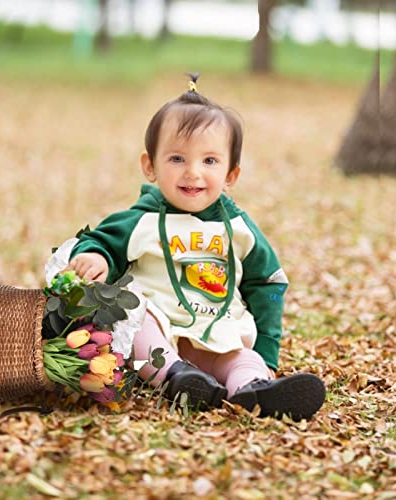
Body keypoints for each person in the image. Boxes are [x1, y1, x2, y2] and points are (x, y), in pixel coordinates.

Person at [61, 74, 325, 420]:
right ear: (150, 166)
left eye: (210, 161)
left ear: (231, 175)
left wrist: (266, 351)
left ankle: (254, 388)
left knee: (239, 357)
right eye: (176, 159)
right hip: (158, 334)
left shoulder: (238, 228)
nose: (193, 173)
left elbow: (268, 282)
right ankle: (177, 378)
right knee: (131, 318)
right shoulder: (140, 220)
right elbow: (100, 240)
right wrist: (96, 256)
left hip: (214, 329)